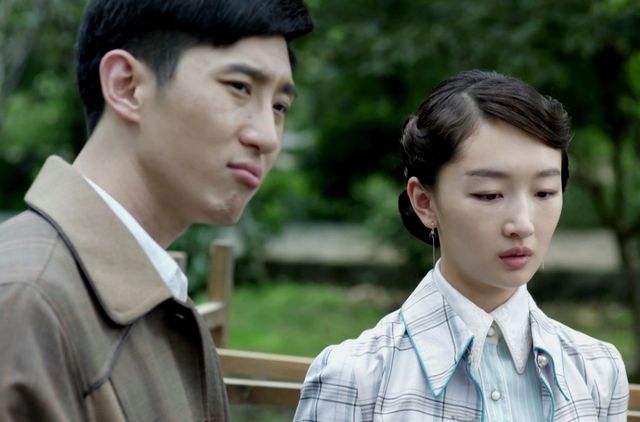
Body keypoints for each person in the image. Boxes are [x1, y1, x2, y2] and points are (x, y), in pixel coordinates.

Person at [0, 0, 312, 420]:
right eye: (239, 87)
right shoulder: (25, 301)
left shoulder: (154, 292)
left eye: (279, 107)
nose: (267, 136)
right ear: (127, 86)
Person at [295, 70, 628, 421]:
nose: (523, 224)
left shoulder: (597, 373)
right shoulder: (358, 379)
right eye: (489, 195)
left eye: (544, 192)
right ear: (424, 202)